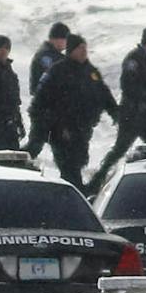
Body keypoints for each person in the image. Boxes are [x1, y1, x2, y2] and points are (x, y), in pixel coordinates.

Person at [88, 27, 146, 194]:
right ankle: (96, 182)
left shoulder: (145, 58)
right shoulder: (135, 59)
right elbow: (129, 85)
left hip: (142, 112)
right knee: (123, 148)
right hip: (132, 113)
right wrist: (145, 98)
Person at [31, 34, 116, 186]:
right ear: (71, 50)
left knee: (78, 164)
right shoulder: (58, 71)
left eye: (85, 48)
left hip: (82, 130)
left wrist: (116, 113)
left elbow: (104, 94)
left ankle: (71, 195)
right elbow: (40, 102)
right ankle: (74, 199)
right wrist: (47, 126)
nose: (84, 51)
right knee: (70, 170)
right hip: (61, 131)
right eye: (80, 48)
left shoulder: (91, 72)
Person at [23, 22, 71, 155]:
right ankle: (16, 164)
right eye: (65, 40)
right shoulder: (47, 57)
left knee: (46, 145)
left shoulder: (54, 56)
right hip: (46, 109)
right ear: (58, 39)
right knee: (36, 145)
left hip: (52, 110)